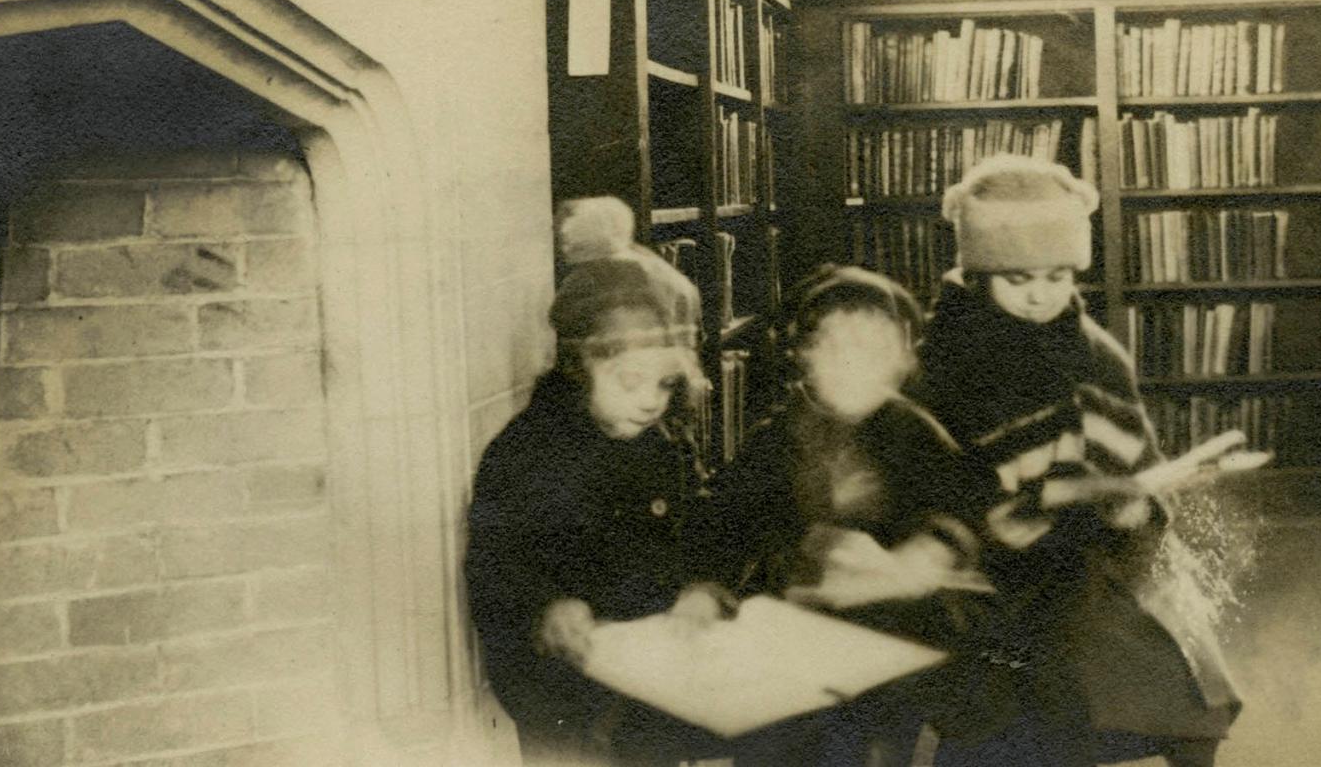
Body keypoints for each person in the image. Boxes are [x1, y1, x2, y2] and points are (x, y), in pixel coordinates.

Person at [918, 155, 1241, 767]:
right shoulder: (945, 361)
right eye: (1018, 280)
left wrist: (1128, 505)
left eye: (1056, 275)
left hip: (1094, 554)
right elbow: (931, 482)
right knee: (1006, 715)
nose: (1041, 295)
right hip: (982, 566)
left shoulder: (1096, 354)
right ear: (979, 273)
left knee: (1188, 685)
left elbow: (1135, 463)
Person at [696, 264, 996, 766]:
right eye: (836, 349)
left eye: (874, 351)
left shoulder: (914, 433)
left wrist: (924, 552)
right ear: (806, 358)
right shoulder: (777, 438)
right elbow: (725, 521)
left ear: (900, 361)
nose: (854, 364)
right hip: (790, 639)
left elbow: (963, 507)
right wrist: (711, 584)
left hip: (889, 639)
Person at [465, 197, 726, 767]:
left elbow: (702, 529)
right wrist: (547, 609)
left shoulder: (663, 445)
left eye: (663, 384)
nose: (651, 402)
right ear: (581, 367)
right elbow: (496, 566)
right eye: (631, 381)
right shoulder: (524, 453)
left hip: (652, 680)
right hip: (562, 688)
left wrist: (703, 587)